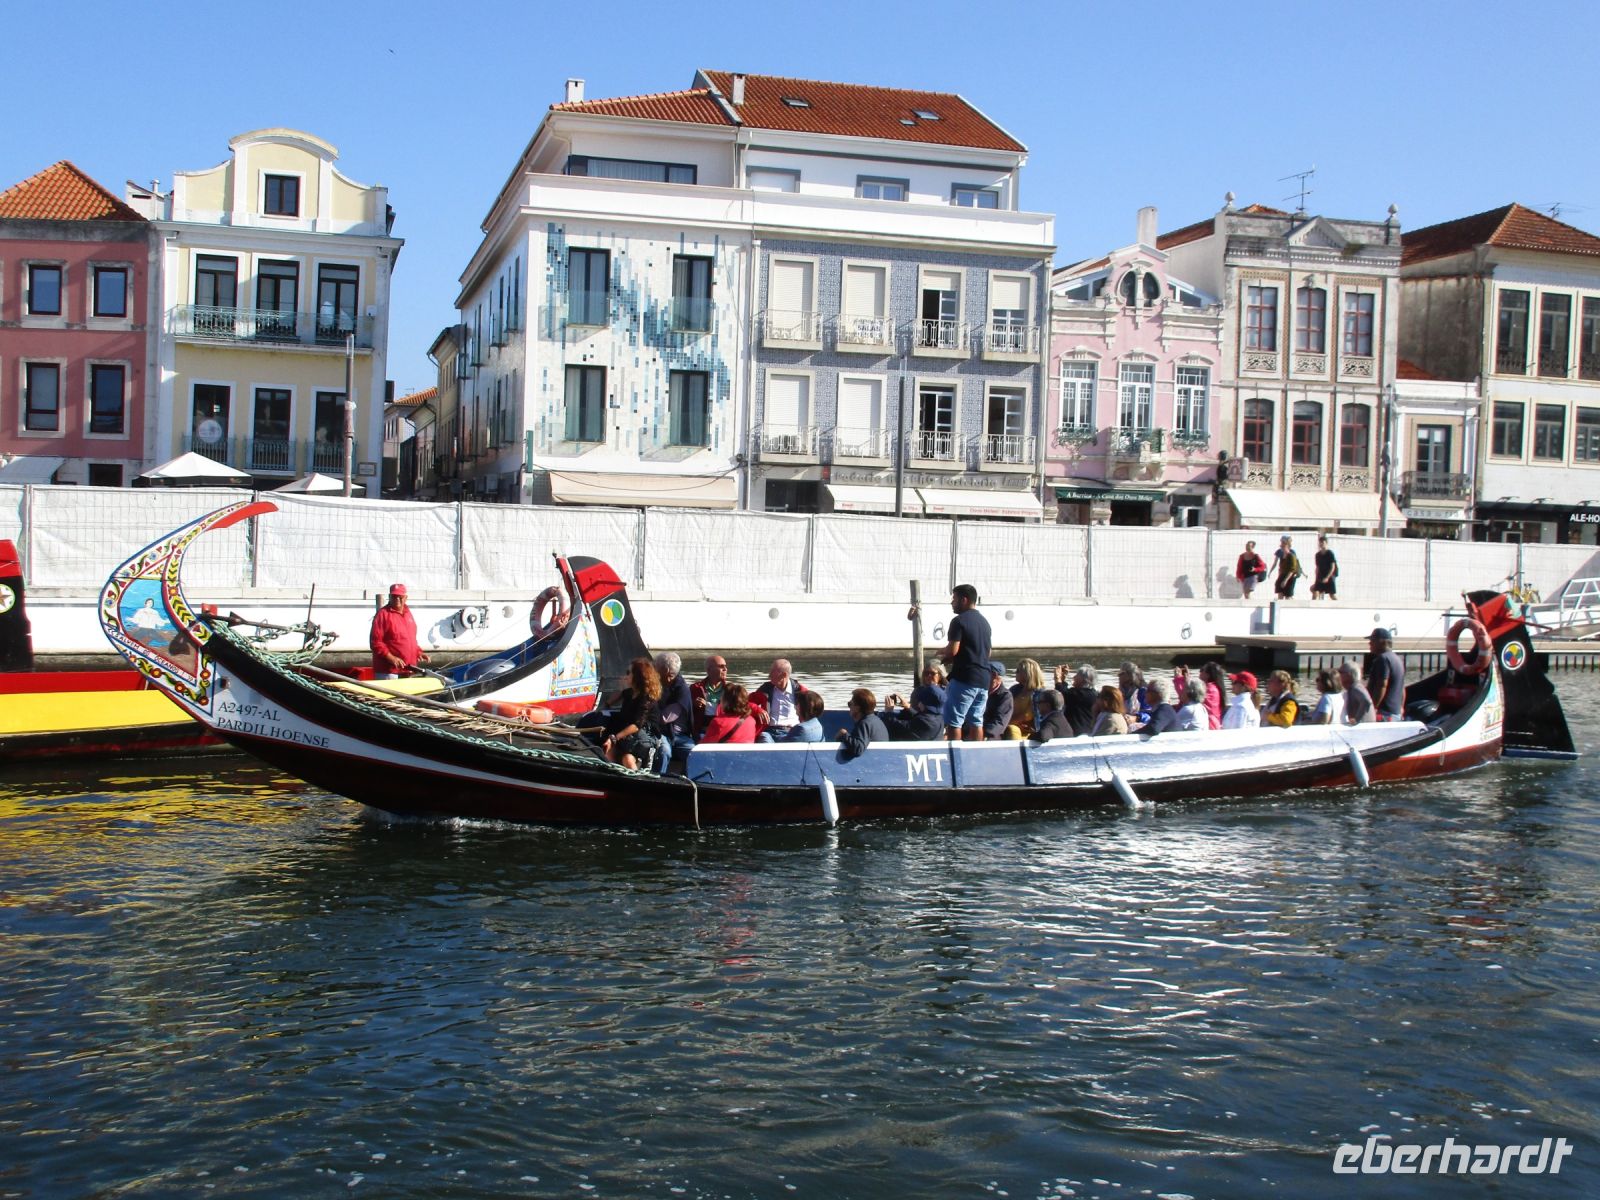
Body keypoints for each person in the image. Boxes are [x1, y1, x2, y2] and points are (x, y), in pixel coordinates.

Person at [939, 583, 993, 741]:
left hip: (965, 678)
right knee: (977, 720)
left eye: (954, 599)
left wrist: (941, 653)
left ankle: (954, 757)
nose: (952, 602)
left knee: (954, 721)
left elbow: (953, 650)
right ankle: (978, 753)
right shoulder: (985, 623)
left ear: (964, 599)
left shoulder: (958, 621)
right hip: (983, 678)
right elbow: (987, 652)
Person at [602, 657, 662, 770]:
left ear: (638, 677)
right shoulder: (629, 693)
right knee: (608, 754)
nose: (626, 675)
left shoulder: (646, 698)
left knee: (628, 759)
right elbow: (617, 696)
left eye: (629, 673)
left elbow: (637, 724)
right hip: (628, 735)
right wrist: (607, 703)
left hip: (644, 735)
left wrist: (614, 738)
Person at [370, 583, 430, 679]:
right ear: (390, 597)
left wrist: (418, 652)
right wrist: (391, 658)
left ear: (406, 598)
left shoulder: (408, 613)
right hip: (389, 672)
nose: (397, 599)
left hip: (408, 669)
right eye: (394, 596)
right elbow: (376, 642)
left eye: (400, 597)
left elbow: (410, 638)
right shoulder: (382, 614)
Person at [653, 652, 695, 773]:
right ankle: (658, 780)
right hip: (661, 733)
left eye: (656, 668)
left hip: (678, 735)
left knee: (693, 753)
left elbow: (664, 718)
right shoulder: (657, 685)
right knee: (664, 751)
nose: (654, 672)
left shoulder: (681, 689)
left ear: (666, 671)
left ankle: (694, 782)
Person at [754, 658, 810, 742]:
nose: (769, 675)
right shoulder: (766, 689)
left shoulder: (800, 690)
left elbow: (813, 707)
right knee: (764, 739)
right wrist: (757, 709)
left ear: (783, 675)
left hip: (792, 732)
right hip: (769, 731)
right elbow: (746, 702)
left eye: (772, 672)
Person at [1366, 627, 1406, 720]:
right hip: (1396, 713)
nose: (1370, 643)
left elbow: (1382, 685)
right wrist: (1401, 707)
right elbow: (1402, 688)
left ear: (1382, 642)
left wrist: (1373, 708)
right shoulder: (1398, 659)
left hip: (1384, 714)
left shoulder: (1383, 659)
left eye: (1372, 640)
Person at [838, 687, 889, 759]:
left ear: (857, 708)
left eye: (850, 704)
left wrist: (844, 735)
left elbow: (858, 749)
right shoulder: (877, 720)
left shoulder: (864, 724)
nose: (849, 707)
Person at [690, 655, 729, 736]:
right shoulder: (695, 688)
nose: (725, 669)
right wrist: (693, 704)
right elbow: (686, 709)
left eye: (725, 666)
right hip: (701, 731)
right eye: (721, 666)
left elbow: (743, 706)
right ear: (709, 670)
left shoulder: (731, 690)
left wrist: (758, 710)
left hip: (724, 731)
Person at [1008, 658, 1046, 737]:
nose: (1015, 672)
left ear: (1027, 673)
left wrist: (1005, 723)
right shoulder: (1014, 689)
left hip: (1028, 732)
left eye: (1018, 671)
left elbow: (1026, 715)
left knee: (1012, 730)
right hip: (1009, 725)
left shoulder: (1039, 693)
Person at [1057, 664, 1098, 736]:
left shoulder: (1077, 694)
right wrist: (1063, 679)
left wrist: (1057, 678)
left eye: (1077, 675)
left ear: (1083, 679)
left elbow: (1061, 694)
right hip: (1089, 731)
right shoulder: (1094, 693)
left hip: (1076, 733)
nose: (1074, 677)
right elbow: (1066, 692)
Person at [983, 661, 1016, 740]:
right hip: (974, 732)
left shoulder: (1005, 696)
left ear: (994, 675)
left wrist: (986, 735)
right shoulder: (980, 691)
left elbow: (999, 722)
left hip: (990, 739)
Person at [1199, 662, 1227, 729]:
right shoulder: (1213, 687)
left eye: (1202, 670)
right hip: (1211, 723)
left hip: (1210, 725)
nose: (1200, 672)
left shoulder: (1210, 689)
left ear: (1208, 675)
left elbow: (1191, 700)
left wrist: (1183, 682)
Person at [1311, 535, 1339, 600]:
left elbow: (1332, 567)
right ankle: (1313, 607)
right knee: (1315, 591)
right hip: (1320, 575)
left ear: (1326, 543)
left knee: (1332, 595)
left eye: (1323, 543)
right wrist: (1316, 578)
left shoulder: (1330, 553)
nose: (1321, 544)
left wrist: (1327, 577)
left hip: (1329, 576)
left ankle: (1340, 606)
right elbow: (1317, 567)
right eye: (1320, 543)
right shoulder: (1317, 555)